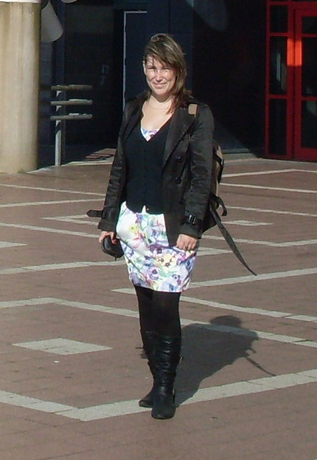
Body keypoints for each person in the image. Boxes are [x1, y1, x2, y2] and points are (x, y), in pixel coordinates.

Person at [97, 34, 214, 421]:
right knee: (145, 306)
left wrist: (193, 226)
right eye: (151, 67)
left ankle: (167, 386)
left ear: (177, 70)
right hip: (135, 224)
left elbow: (201, 177)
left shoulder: (194, 114)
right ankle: (156, 380)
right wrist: (108, 220)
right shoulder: (133, 109)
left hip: (173, 227)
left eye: (164, 67)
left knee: (166, 305)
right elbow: (120, 168)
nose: (157, 75)